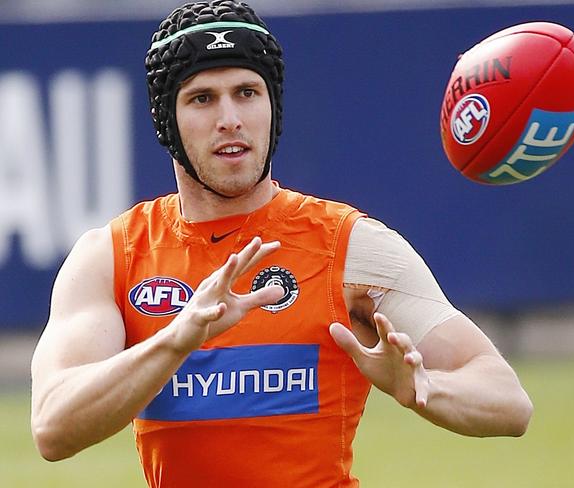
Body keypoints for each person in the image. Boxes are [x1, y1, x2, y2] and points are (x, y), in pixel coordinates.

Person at [30, 1, 533, 486]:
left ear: (273, 106)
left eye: (247, 92)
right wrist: (176, 340)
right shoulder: (113, 255)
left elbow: (507, 400)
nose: (230, 117)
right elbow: (53, 427)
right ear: (167, 122)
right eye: (202, 98)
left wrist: (426, 390)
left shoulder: (352, 247)